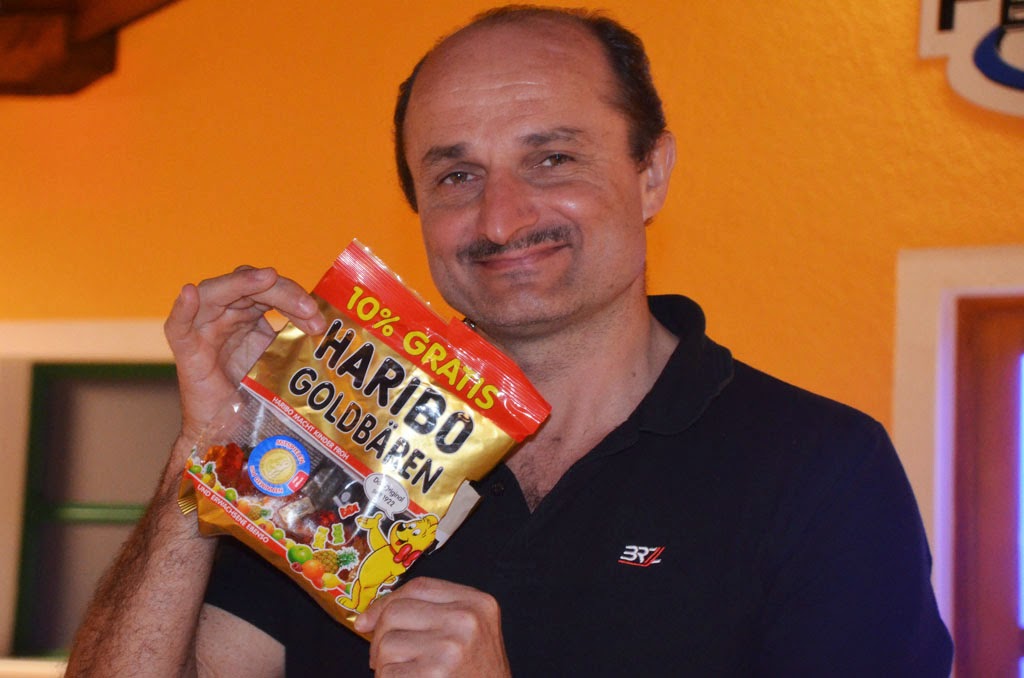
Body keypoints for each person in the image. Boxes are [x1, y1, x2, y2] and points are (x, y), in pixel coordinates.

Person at [66, 6, 953, 676]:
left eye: (552, 158)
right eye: (457, 174)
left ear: (651, 174)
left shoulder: (817, 467)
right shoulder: (341, 441)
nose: (501, 218)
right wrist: (207, 450)